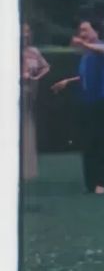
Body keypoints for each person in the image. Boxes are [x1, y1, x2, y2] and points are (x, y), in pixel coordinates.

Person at [49, 21, 104, 195]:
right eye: (80, 31)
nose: (82, 33)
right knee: (87, 142)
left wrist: (83, 44)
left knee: (98, 142)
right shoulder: (86, 55)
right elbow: (83, 76)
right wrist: (67, 82)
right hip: (86, 101)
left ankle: (100, 183)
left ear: (96, 31)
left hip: (101, 102)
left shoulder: (103, 47)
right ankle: (90, 183)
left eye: (86, 30)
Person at [21, 24, 49, 182]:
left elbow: (45, 67)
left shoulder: (34, 52)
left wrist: (36, 78)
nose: (25, 35)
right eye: (22, 32)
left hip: (28, 95)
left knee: (27, 129)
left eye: (27, 32)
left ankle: (27, 170)